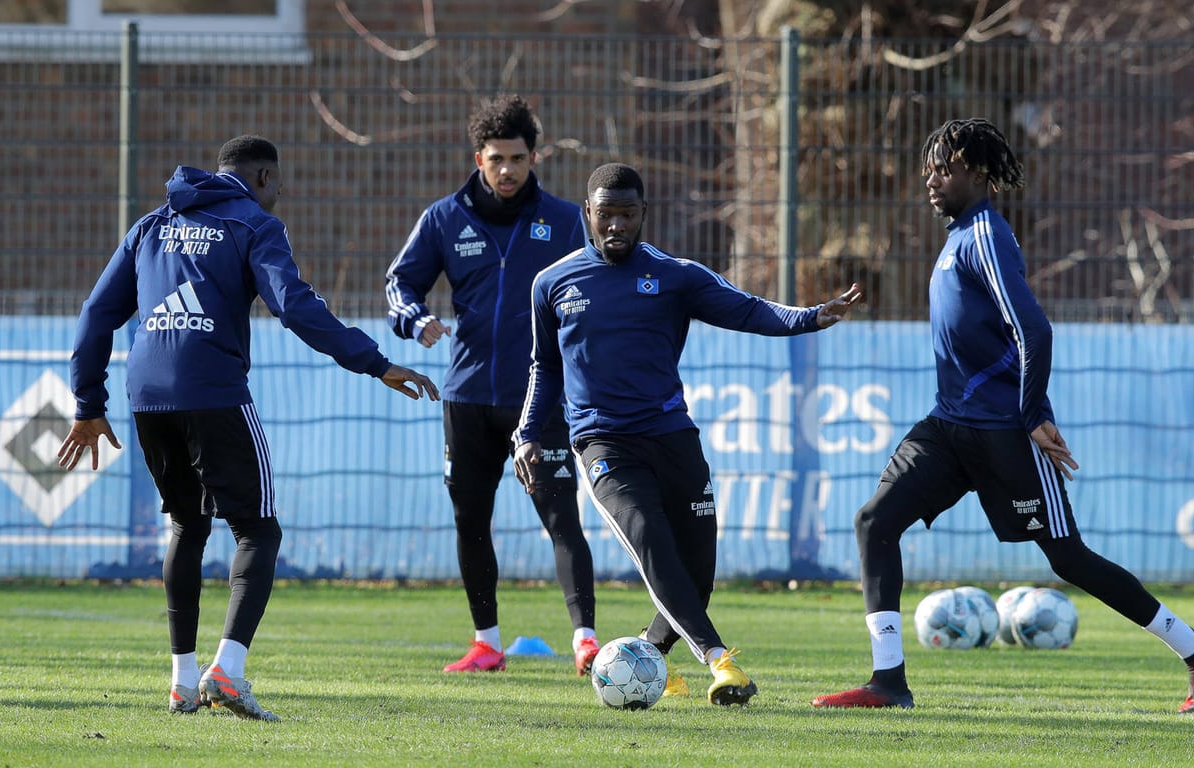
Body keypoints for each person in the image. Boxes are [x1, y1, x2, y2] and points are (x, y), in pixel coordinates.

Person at [811, 118, 1194, 712]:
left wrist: (1033, 412)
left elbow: (1033, 328)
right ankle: (888, 682)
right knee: (874, 522)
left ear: (978, 173)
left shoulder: (985, 233)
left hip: (1005, 432)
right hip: (949, 425)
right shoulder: (959, 234)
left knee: (1068, 557)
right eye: (929, 168)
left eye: (947, 168)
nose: (932, 180)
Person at [57, 135, 440, 721]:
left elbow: (95, 314)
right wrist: (374, 361)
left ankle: (183, 681)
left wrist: (89, 403)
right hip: (213, 392)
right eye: (277, 187)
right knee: (258, 532)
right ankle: (228, 673)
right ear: (262, 178)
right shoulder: (252, 224)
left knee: (187, 523)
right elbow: (293, 304)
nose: (277, 198)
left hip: (148, 395)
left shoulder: (152, 224)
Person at [513, 162, 864, 705]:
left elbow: (745, 309)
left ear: (643, 215)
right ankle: (721, 662)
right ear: (588, 213)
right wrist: (528, 432)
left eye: (628, 215)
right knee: (650, 537)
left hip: (673, 437)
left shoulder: (675, 276)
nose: (616, 227)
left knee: (697, 573)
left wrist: (811, 317)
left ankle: (649, 658)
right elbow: (544, 368)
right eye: (606, 215)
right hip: (603, 443)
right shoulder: (552, 283)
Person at [385, 94, 601, 675]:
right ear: (478, 158)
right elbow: (399, 286)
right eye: (495, 159)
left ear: (535, 158)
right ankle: (486, 643)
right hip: (468, 398)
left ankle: (585, 639)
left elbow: (599, 290)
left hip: (540, 398)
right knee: (470, 519)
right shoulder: (443, 219)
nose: (506, 170)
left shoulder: (562, 221)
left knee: (562, 520)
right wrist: (414, 318)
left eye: (517, 158)